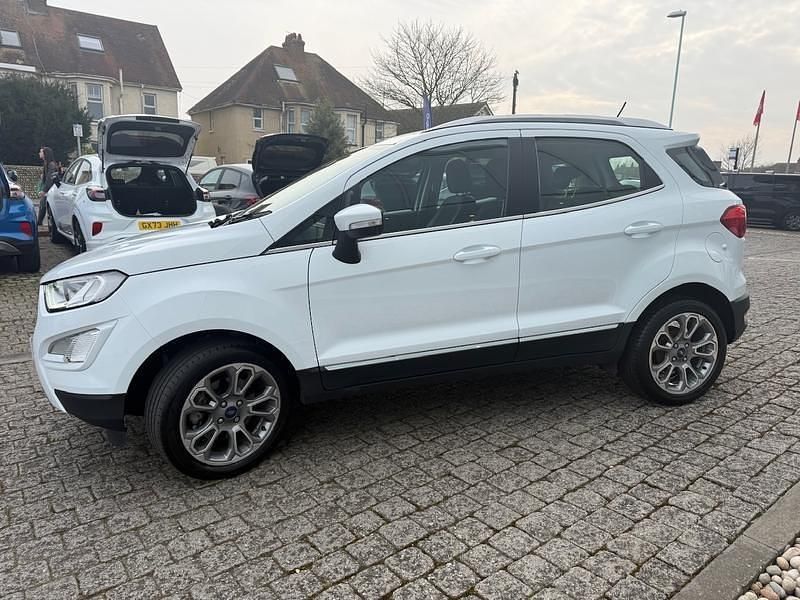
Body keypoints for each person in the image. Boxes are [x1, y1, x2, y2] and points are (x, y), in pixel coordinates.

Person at [37, 146, 58, 226]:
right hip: (50, 189)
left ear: (45, 154)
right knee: (43, 204)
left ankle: (40, 222)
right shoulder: (46, 163)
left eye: (41, 151)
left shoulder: (51, 165)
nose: (39, 153)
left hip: (52, 189)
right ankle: (39, 222)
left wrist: (44, 190)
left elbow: (50, 179)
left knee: (44, 205)